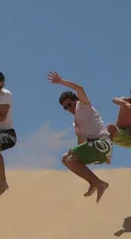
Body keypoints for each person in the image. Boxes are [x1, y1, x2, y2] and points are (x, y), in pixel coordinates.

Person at [48, 71, 113, 203]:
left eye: (69, 104)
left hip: (102, 144)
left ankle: (99, 183)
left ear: (76, 101)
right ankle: (94, 183)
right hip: (97, 150)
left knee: (70, 158)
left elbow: (80, 89)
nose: (68, 108)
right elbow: (81, 141)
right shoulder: (76, 122)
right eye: (65, 107)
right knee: (66, 159)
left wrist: (61, 81)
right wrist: (77, 152)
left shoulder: (83, 106)